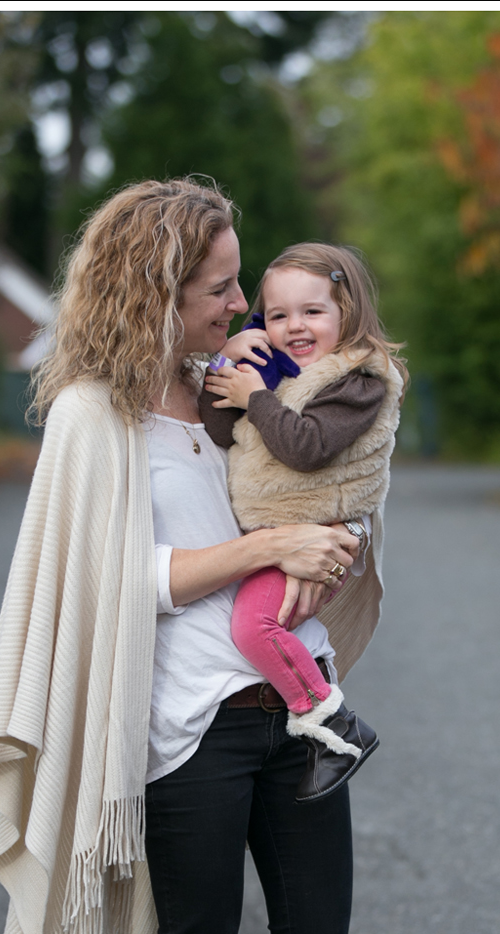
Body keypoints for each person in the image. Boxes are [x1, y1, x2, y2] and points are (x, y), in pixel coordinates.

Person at [0, 179, 395, 934]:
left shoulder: (238, 390)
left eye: (240, 282)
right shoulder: (93, 416)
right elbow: (116, 578)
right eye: (218, 286)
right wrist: (269, 552)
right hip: (192, 729)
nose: (240, 303)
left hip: (296, 714)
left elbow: (326, 470)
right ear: (156, 290)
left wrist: (332, 539)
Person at [198, 243, 406, 800]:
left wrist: (256, 398)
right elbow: (219, 432)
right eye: (277, 315)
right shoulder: (280, 376)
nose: (295, 326)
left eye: (312, 311)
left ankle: (332, 724)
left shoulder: (359, 380)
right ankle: (320, 727)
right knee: (257, 626)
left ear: (347, 312)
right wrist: (227, 364)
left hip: (313, 536)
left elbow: (306, 448)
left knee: (254, 628)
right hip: (278, 537)